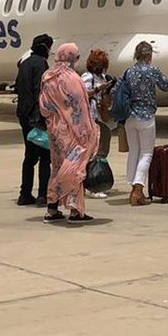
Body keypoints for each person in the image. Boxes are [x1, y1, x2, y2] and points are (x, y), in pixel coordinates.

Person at [39, 42, 100, 221]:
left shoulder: (47, 77)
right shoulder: (72, 78)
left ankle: (52, 208)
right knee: (75, 168)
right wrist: (89, 132)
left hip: (55, 130)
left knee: (57, 166)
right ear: (72, 57)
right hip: (73, 132)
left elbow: (44, 106)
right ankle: (74, 209)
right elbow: (79, 107)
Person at [120, 41, 168, 206]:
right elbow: (167, 86)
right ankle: (138, 189)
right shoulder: (152, 70)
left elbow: (117, 89)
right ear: (149, 55)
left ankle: (133, 188)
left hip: (130, 117)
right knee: (146, 154)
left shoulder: (129, 71)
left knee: (134, 152)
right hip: (146, 117)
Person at [14, 33, 54, 206]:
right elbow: (42, 91)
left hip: (23, 114)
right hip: (37, 116)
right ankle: (43, 194)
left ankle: (25, 193)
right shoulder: (41, 64)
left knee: (29, 156)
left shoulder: (25, 63)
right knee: (45, 156)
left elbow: (17, 88)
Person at [81, 48, 117, 194]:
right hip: (92, 118)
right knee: (95, 151)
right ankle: (92, 183)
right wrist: (98, 89)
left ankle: (93, 180)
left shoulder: (103, 77)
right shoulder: (87, 77)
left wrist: (107, 90)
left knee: (102, 150)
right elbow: (82, 94)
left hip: (102, 117)